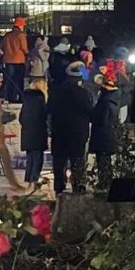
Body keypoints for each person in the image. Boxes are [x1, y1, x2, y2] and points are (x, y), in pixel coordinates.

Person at [49, 62, 94, 194]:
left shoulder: (56, 92)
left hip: (59, 133)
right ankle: (78, 186)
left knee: (59, 162)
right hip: (78, 134)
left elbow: (49, 109)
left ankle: (59, 187)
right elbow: (90, 112)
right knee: (77, 161)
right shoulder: (83, 94)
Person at [89, 72, 120, 190]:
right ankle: (107, 182)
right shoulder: (113, 103)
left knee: (102, 162)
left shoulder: (104, 104)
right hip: (108, 137)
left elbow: (101, 120)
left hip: (102, 137)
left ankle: (104, 182)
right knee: (106, 162)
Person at [18, 77, 49, 187]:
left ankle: (28, 180)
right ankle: (34, 180)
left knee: (30, 159)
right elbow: (44, 116)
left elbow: (21, 118)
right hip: (38, 133)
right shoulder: (40, 99)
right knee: (37, 160)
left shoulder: (27, 100)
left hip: (27, 134)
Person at [0, 18, 29, 104]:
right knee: (19, 80)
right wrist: (29, 54)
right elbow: (24, 49)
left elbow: (1, 47)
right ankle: (19, 98)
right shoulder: (21, 35)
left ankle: (9, 97)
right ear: (20, 25)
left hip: (8, 61)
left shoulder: (7, 35)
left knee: (9, 80)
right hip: (19, 61)